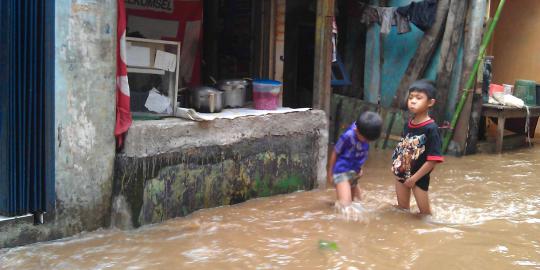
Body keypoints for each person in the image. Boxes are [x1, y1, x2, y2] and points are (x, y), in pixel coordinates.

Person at [391, 80, 444, 215]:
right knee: (402, 211)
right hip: (402, 173)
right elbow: (403, 147)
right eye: (411, 97)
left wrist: (413, 179)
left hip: (419, 178)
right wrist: (396, 166)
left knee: (425, 216)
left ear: (430, 103)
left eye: (418, 98)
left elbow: (433, 160)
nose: (413, 101)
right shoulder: (408, 124)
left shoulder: (431, 129)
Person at [328, 111, 383, 207]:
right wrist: (330, 173)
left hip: (353, 172)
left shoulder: (365, 133)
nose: (366, 142)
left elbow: (362, 153)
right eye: (365, 140)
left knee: (357, 202)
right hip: (341, 171)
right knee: (346, 205)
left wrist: (360, 168)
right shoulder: (347, 136)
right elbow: (335, 152)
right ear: (357, 130)